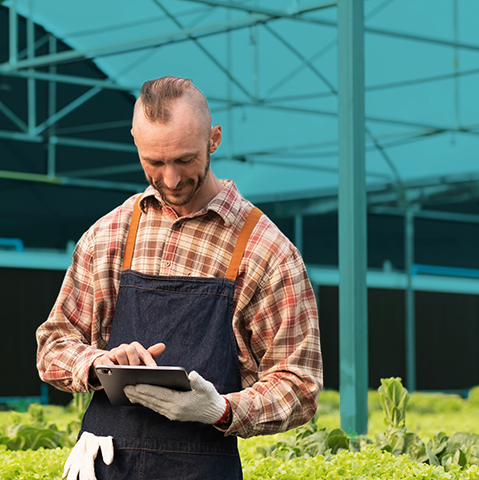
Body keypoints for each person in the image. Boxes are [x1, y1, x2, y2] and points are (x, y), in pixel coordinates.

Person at [36, 76, 322, 480]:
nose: (170, 179)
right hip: (103, 463)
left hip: (201, 468)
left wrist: (220, 409)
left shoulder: (266, 251)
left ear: (214, 140)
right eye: (154, 162)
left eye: (185, 159)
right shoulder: (111, 234)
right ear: (136, 142)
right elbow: (54, 345)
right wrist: (100, 363)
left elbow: (299, 386)